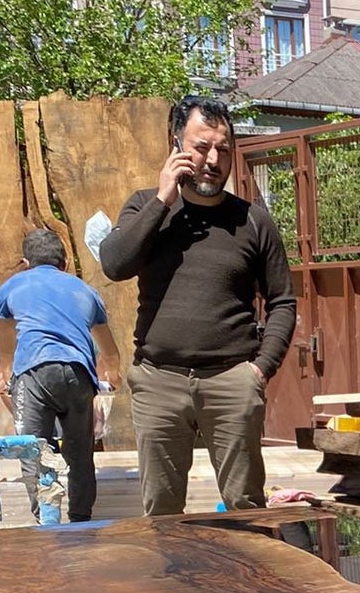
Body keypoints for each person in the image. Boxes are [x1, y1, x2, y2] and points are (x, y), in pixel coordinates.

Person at [98, 94, 296, 515]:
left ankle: (250, 581)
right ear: (176, 145)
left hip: (232, 382)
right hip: (158, 381)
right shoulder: (145, 205)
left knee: (246, 507)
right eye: (201, 146)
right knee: (162, 511)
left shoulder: (253, 220)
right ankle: (174, 584)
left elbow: (282, 301)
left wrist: (259, 371)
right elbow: (114, 264)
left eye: (223, 149)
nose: (212, 159)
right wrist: (163, 199)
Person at [0, 228, 123, 523]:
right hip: (78, 374)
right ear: (64, 263)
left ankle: (45, 519)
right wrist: (112, 375)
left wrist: (6, 375)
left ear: (26, 263)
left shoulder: (11, 288)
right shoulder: (86, 291)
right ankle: (81, 518)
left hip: (34, 373)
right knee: (80, 453)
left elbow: (6, 346)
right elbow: (109, 350)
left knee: (34, 449)